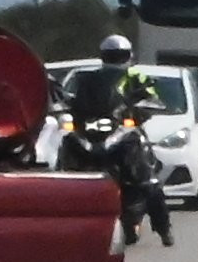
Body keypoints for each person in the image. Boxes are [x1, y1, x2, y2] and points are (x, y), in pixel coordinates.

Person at [58, 35, 174, 245]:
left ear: (128, 55)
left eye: (119, 55)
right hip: (91, 128)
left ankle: (164, 228)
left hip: (124, 127)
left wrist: (144, 106)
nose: (116, 59)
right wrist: (65, 106)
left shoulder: (135, 76)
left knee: (148, 179)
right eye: (113, 55)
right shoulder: (89, 78)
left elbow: (153, 97)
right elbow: (73, 98)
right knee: (65, 146)